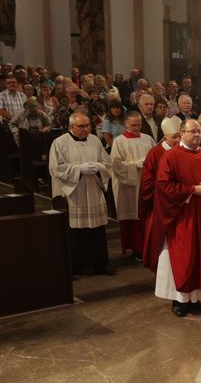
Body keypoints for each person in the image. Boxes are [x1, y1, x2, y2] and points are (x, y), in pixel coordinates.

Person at [153, 119, 201, 317]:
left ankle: (197, 299)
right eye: (193, 131)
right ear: (182, 134)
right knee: (185, 259)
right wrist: (192, 190)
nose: (197, 135)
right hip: (183, 218)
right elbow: (164, 186)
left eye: (199, 132)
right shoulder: (171, 156)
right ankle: (180, 301)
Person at [49, 112, 114, 277]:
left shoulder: (95, 140)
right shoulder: (59, 143)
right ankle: (76, 267)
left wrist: (98, 168)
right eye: (81, 126)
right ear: (71, 127)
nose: (86, 129)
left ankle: (101, 264)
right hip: (74, 193)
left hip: (93, 189)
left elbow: (107, 163)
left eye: (87, 125)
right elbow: (55, 168)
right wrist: (79, 170)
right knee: (75, 231)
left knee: (97, 229)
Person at [109, 110, 156, 260]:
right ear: (126, 124)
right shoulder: (119, 141)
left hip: (147, 183)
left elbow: (156, 158)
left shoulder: (148, 139)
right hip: (129, 186)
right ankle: (137, 248)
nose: (136, 128)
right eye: (133, 125)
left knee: (147, 216)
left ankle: (150, 247)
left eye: (139, 125)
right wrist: (135, 165)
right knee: (133, 216)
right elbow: (115, 165)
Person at [140, 117, 183, 268]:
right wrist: (167, 191)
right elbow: (147, 183)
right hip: (160, 205)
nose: (178, 140)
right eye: (174, 137)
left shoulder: (183, 151)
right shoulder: (155, 153)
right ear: (165, 137)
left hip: (181, 203)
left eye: (179, 136)